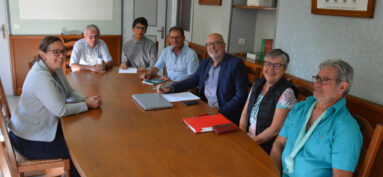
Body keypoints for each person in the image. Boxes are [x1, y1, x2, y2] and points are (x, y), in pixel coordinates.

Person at [8, 36, 102, 177]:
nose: (61, 56)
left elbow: (69, 92)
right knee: (79, 150)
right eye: (56, 52)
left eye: (63, 51)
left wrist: (85, 98)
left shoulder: (55, 68)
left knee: (82, 134)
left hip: (40, 127)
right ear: (43, 54)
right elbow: (61, 110)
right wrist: (86, 105)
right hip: (27, 138)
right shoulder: (41, 76)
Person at [270, 59, 362, 177]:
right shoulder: (299, 108)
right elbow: (279, 144)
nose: (317, 83)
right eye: (317, 78)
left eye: (324, 80)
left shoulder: (347, 128)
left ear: (342, 87)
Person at [157, 33, 248, 125]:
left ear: (224, 45)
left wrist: (220, 111)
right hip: (205, 107)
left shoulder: (235, 64)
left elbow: (241, 95)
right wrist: (171, 88)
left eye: (216, 43)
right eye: (209, 44)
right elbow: (193, 80)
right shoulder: (205, 63)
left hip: (225, 114)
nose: (212, 47)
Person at [239, 49, 298, 154]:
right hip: (248, 139)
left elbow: (275, 130)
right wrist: (242, 137)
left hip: (266, 147)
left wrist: (249, 143)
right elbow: (244, 114)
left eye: (277, 66)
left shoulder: (287, 93)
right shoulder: (257, 84)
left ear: (284, 69)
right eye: (268, 64)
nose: (271, 69)